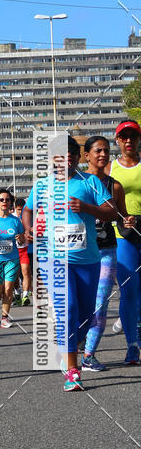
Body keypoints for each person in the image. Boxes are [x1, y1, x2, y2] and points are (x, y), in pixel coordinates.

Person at [22, 135, 114, 391]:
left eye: (72, 153)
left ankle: (69, 345)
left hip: (87, 259)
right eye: (62, 154)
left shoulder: (91, 182)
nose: (68, 158)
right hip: (54, 259)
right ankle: (72, 369)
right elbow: (28, 210)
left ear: (78, 157)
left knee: (87, 315)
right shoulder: (42, 186)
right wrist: (28, 229)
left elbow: (111, 211)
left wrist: (87, 207)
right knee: (68, 308)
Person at [81, 137, 131, 370]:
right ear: (86, 155)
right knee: (77, 304)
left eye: (106, 151)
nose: (103, 154)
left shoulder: (115, 187)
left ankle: (88, 354)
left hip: (106, 250)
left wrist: (127, 222)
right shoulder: (76, 183)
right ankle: (73, 347)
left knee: (100, 303)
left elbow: (121, 221)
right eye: (97, 150)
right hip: (78, 252)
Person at [106, 120, 141, 365]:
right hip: (122, 234)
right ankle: (132, 346)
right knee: (129, 291)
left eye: (133, 136)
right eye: (123, 137)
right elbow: (99, 201)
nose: (128, 140)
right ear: (117, 140)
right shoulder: (109, 168)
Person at [0, 189, 24, 328]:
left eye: (7, 200)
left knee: (8, 288)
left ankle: (4, 318)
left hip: (12, 258)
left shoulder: (16, 221)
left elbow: (21, 240)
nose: (4, 202)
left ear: (11, 202)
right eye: (1, 200)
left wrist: (21, 238)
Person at [13, 197, 32, 306]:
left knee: (26, 271)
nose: (20, 211)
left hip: (24, 250)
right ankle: (17, 292)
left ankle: (25, 296)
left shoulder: (28, 218)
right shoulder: (12, 219)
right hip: (13, 251)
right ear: (15, 209)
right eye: (18, 209)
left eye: (22, 209)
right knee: (15, 275)